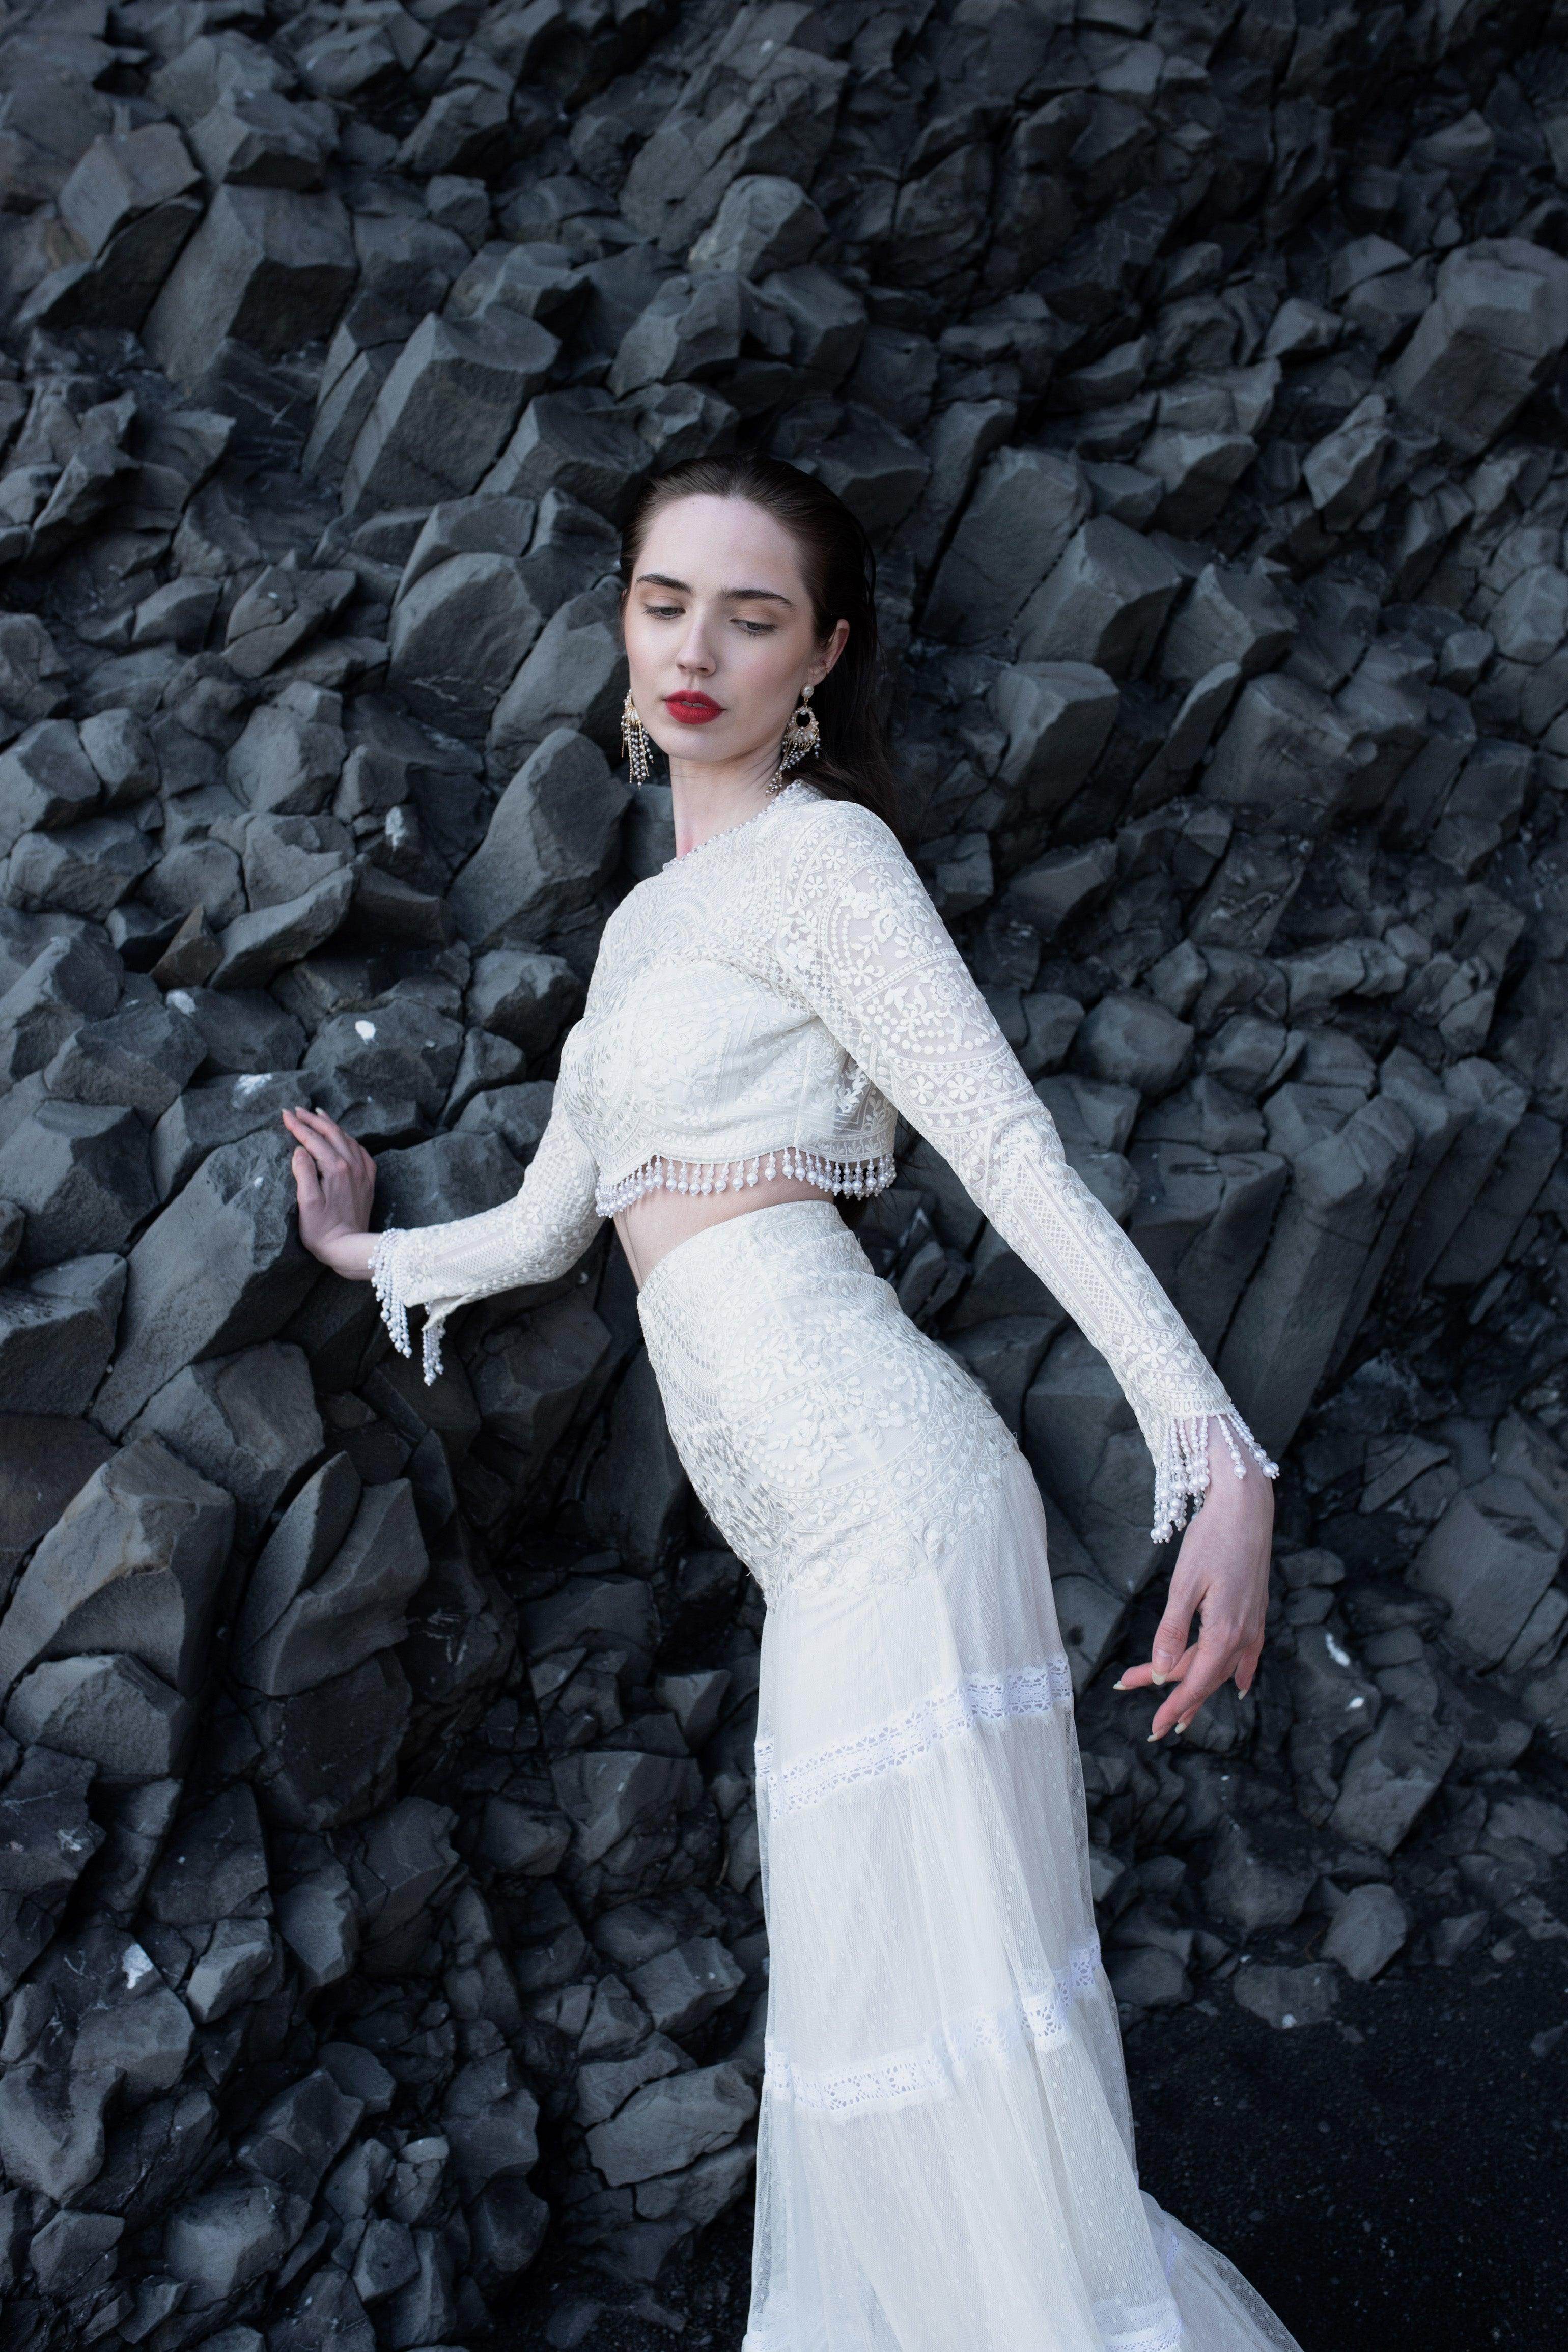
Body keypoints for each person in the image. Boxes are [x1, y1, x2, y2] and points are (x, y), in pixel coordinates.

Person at [285, 454, 1306, 2352]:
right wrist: (363, 1252)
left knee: (942, 2043)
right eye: (666, 601)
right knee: (874, 2047)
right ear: (622, 622)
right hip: (816, 1554)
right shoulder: (642, 934)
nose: (697, 648)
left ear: (821, 658)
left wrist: (1217, 1452)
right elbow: (554, 1220)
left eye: (752, 617)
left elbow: (1005, 1147)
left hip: (896, 1507)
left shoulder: (831, 862)